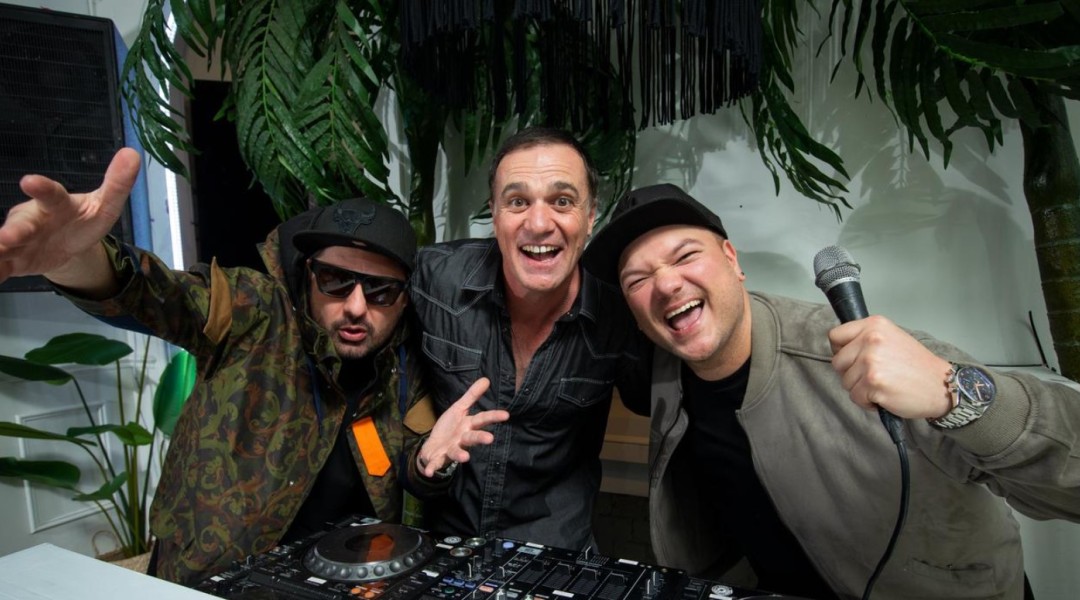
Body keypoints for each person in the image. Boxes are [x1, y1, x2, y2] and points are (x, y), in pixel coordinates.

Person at [0, 149, 501, 585]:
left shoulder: (403, 364)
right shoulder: (254, 312)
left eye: (380, 291)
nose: (355, 306)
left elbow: (412, 464)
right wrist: (73, 259)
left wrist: (430, 462)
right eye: (334, 280)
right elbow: (158, 296)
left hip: (344, 579)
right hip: (213, 579)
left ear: (403, 299)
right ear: (307, 275)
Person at [580, 183, 1080, 599]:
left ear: (732, 259)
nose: (666, 285)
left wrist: (957, 398)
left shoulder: (857, 355)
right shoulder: (661, 372)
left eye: (686, 255)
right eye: (637, 280)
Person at [408, 127, 650, 551]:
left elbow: (660, 398)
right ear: (495, 214)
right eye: (518, 202)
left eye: (562, 201)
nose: (538, 224)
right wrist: (425, 456)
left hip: (557, 551)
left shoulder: (619, 313)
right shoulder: (434, 280)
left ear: (590, 216)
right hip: (446, 544)